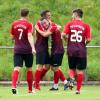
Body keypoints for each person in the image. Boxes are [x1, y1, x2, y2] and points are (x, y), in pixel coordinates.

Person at [35, 10, 69, 91]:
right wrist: (37, 28)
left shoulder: (51, 25)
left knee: (53, 67)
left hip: (56, 49)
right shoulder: (39, 23)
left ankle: (60, 84)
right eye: (49, 16)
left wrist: (57, 27)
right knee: (46, 66)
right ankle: (36, 84)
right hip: (41, 47)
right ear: (44, 17)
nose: (50, 17)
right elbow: (44, 32)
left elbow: (50, 30)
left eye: (50, 16)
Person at [62, 8, 91, 94]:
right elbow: (89, 39)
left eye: (72, 15)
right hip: (81, 50)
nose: (72, 16)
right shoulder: (86, 26)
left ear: (75, 15)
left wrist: (66, 40)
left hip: (71, 49)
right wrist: (84, 44)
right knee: (80, 70)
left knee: (72, 68)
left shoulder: (69, 24)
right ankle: (78, 90)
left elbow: (63, 34)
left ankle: (72, 79)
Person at [10, 8, 36, 94]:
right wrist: (33, 48)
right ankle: (30, 90)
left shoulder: (14, 23)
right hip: (27, 50)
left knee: (17, 68)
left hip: (17, 49)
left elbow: (12, 37)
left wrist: (17, 39)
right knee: (29, 69)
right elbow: (29, 35)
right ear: (28, 15)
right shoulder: (29, 24)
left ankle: (13, 86)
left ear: (20, 14)